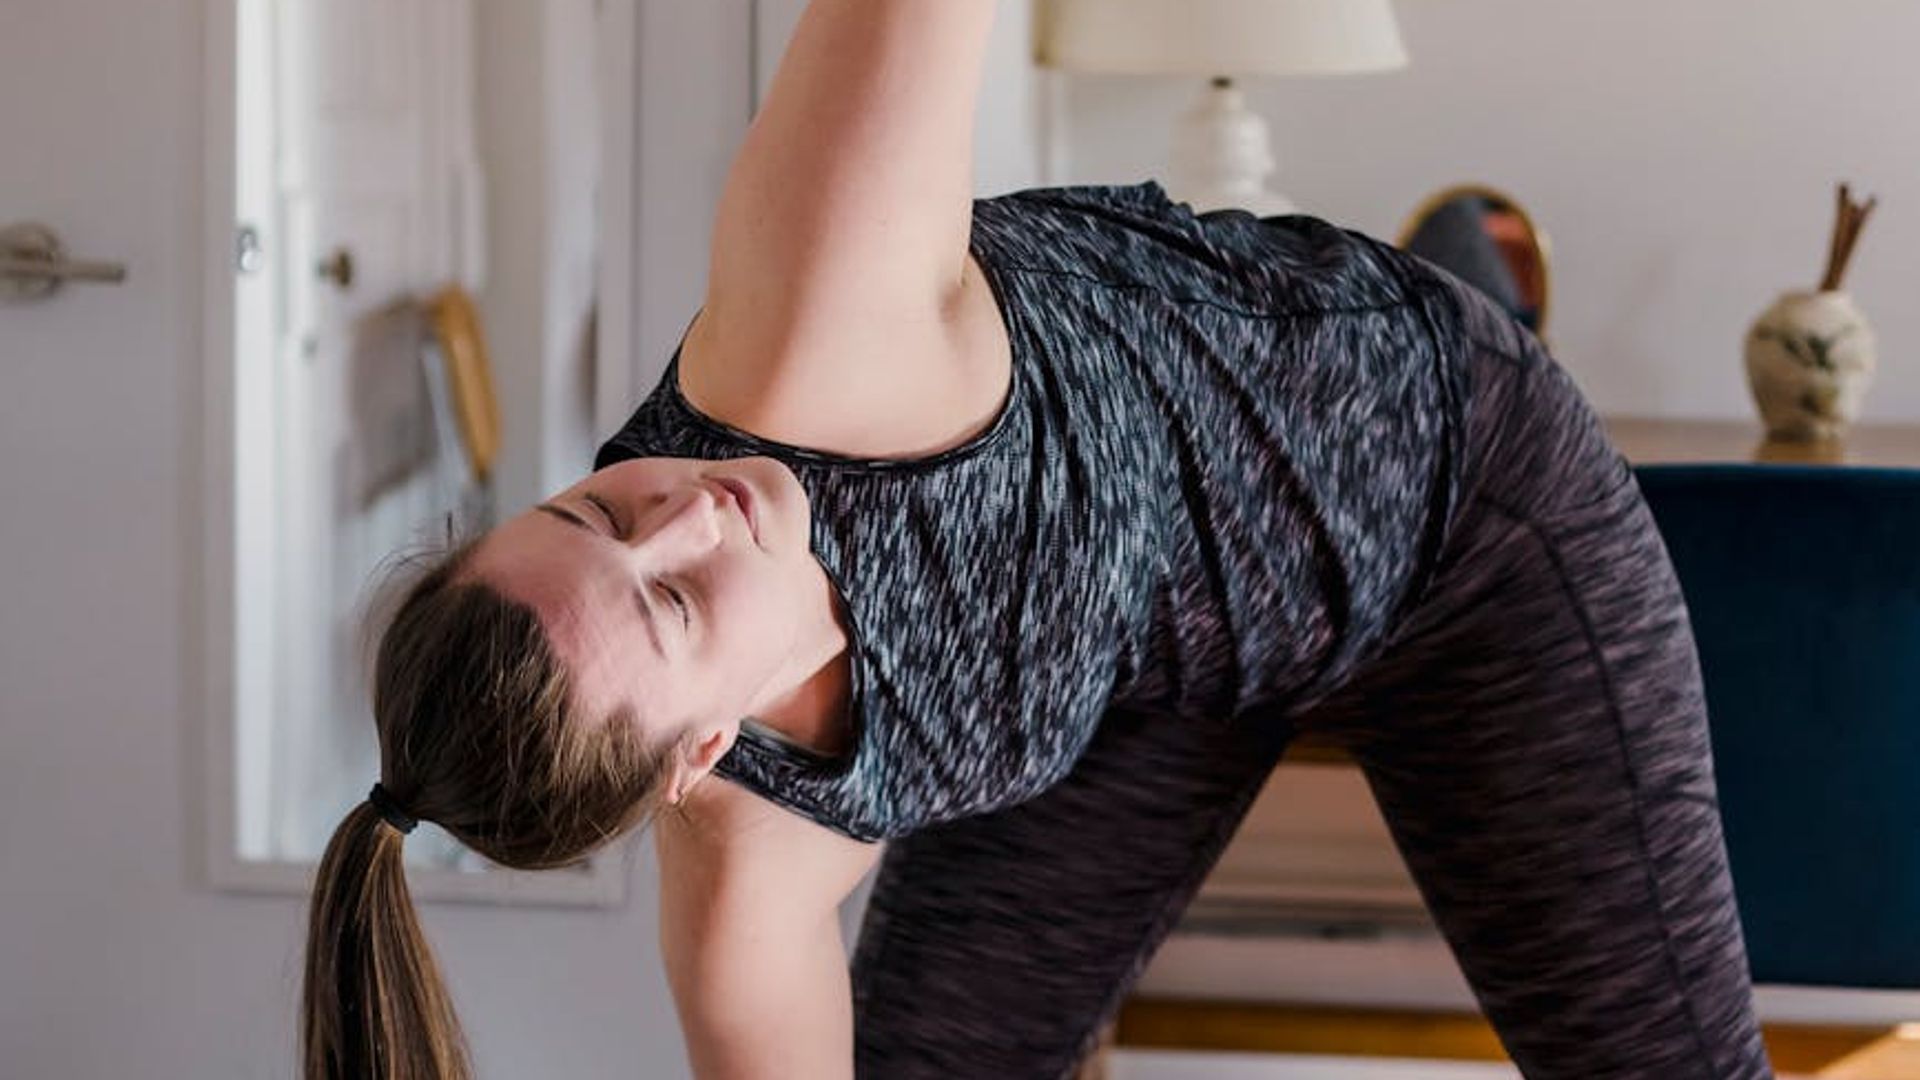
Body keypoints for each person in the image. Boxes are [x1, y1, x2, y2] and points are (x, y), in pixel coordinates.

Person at [301, 3, 1777, 1078]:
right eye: (675, 605)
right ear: (697, 761)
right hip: (1140, 669)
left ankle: (1472, 275)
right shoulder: (751, 869)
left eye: (599, 509)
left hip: (1458, 503)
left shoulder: (813, 321)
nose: (693, 504)